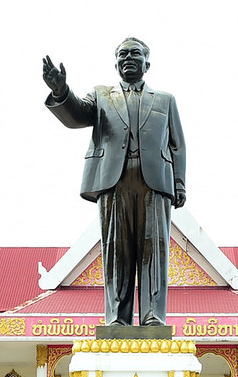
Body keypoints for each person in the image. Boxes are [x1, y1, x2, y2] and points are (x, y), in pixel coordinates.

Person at [43, 37, 186, 326]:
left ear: (148, 62)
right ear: (116, 62)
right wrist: (61, 91)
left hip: (155, 182)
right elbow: (77, 115)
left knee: (154, 251)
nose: (128, 58)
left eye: (135, 54)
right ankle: (117, 318)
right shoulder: (101, 96)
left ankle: (152, 316)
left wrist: (179, 183)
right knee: (116, 250)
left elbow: (177, 145)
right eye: (122, 54)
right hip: (114, 180)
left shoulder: (165, 100)